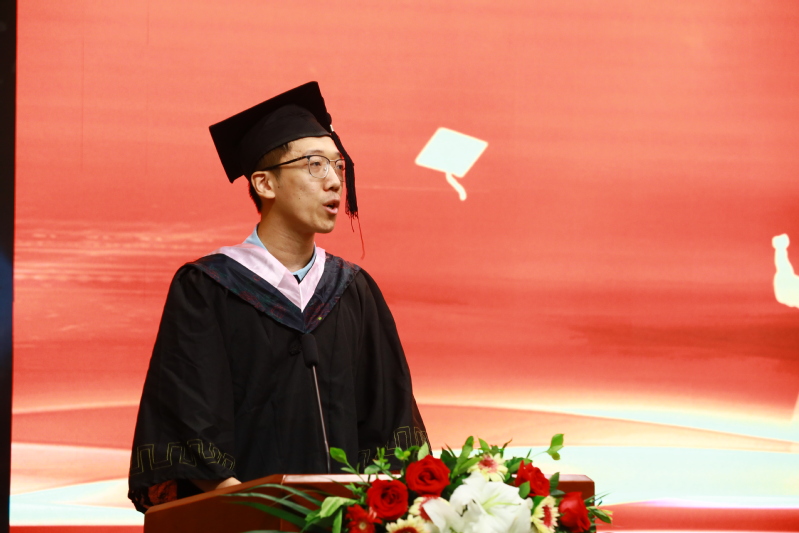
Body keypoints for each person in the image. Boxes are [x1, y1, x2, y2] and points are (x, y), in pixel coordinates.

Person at [128, 82, 427, 513]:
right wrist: (258, 508)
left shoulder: (352, 290)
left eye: (338, 166)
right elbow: (189, 421)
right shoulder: (209, 287)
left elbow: (389, 419)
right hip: (248, 520)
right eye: (314, 165)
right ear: (265, 183)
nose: (334, 181)